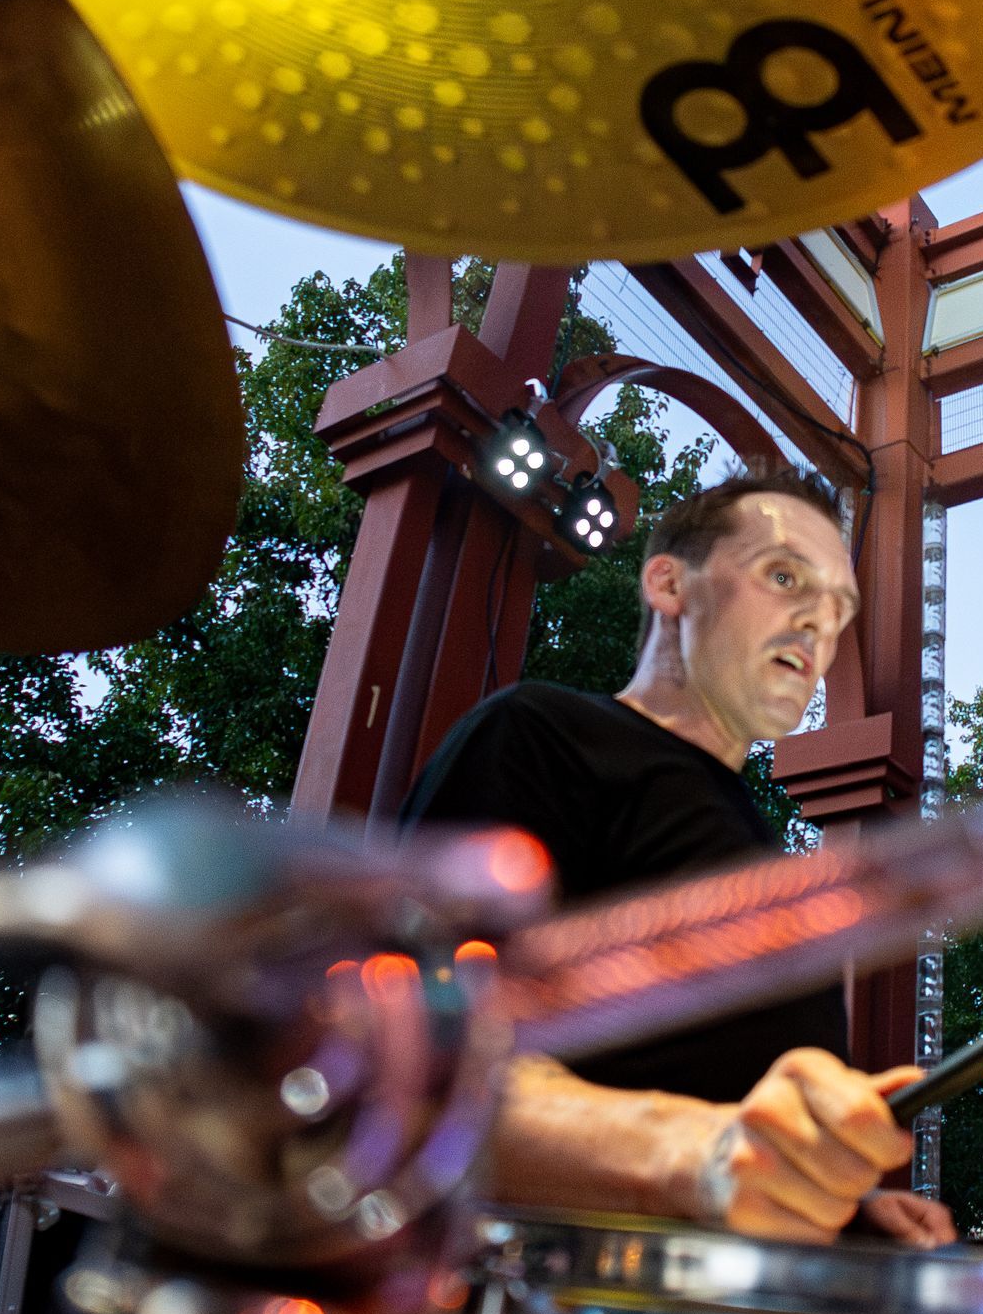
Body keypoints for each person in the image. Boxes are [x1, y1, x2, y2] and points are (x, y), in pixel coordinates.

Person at [404, 468, 954, 1246]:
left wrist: (838, 1211)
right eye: (784, 576)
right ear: (668, 584)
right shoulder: (537, 735)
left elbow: (728, 1115)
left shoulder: (765, 858)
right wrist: (696, 1155)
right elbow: (410, 1076)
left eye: (839, 610)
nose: (817, 625)